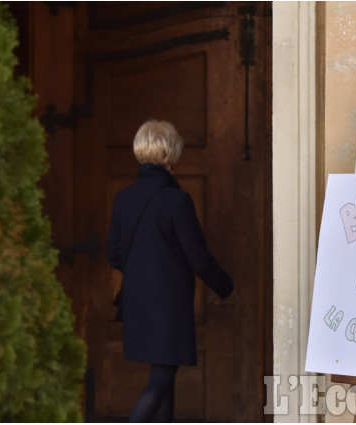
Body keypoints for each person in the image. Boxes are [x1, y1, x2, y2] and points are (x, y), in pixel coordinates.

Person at [106, 120, 233, 422]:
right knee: (160, 379)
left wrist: (142, 271)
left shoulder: (123, 199)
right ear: (172, 153)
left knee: (165, 375)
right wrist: (226, 286)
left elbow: (113, 256)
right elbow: (198, 258)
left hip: (136, 301)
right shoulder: (177, 200)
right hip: (168, 304)